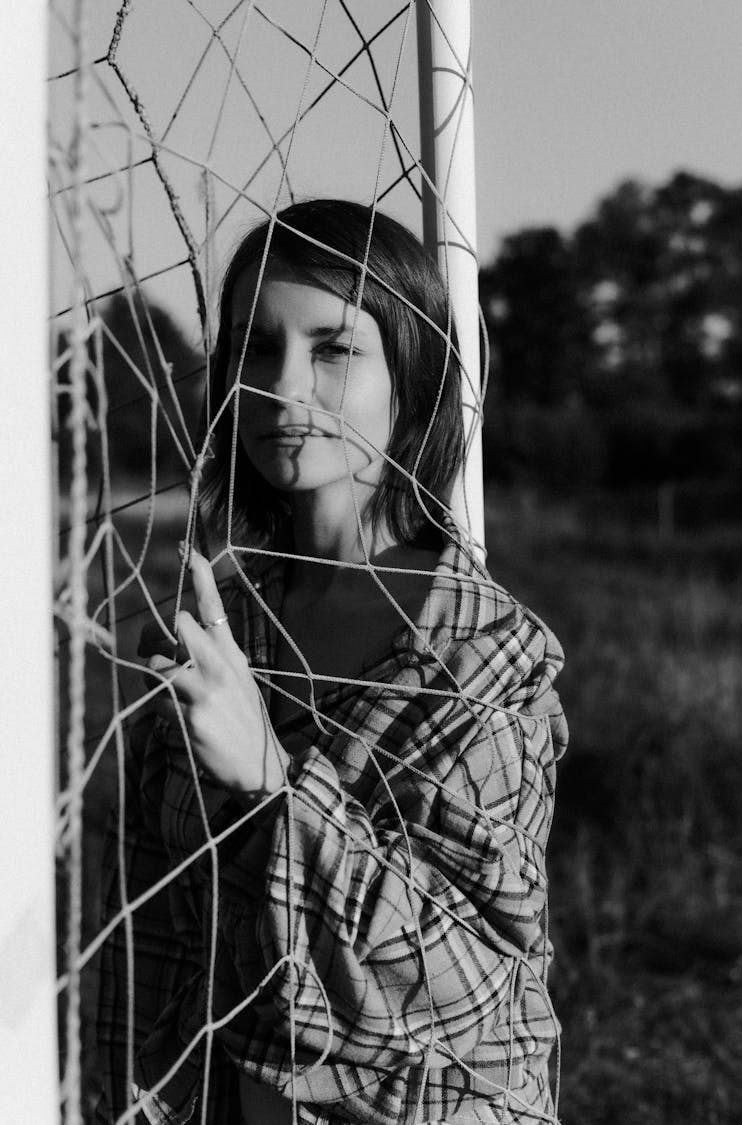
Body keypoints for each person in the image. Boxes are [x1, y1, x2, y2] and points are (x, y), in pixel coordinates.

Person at [96, 199, 568, 1125]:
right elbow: (153, 940)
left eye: (334, 348)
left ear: (414, 377)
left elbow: (464, 988)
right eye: (256, 347)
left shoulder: (483, 654)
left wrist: (275, 785)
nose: (284, 385)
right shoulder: (223, 627)